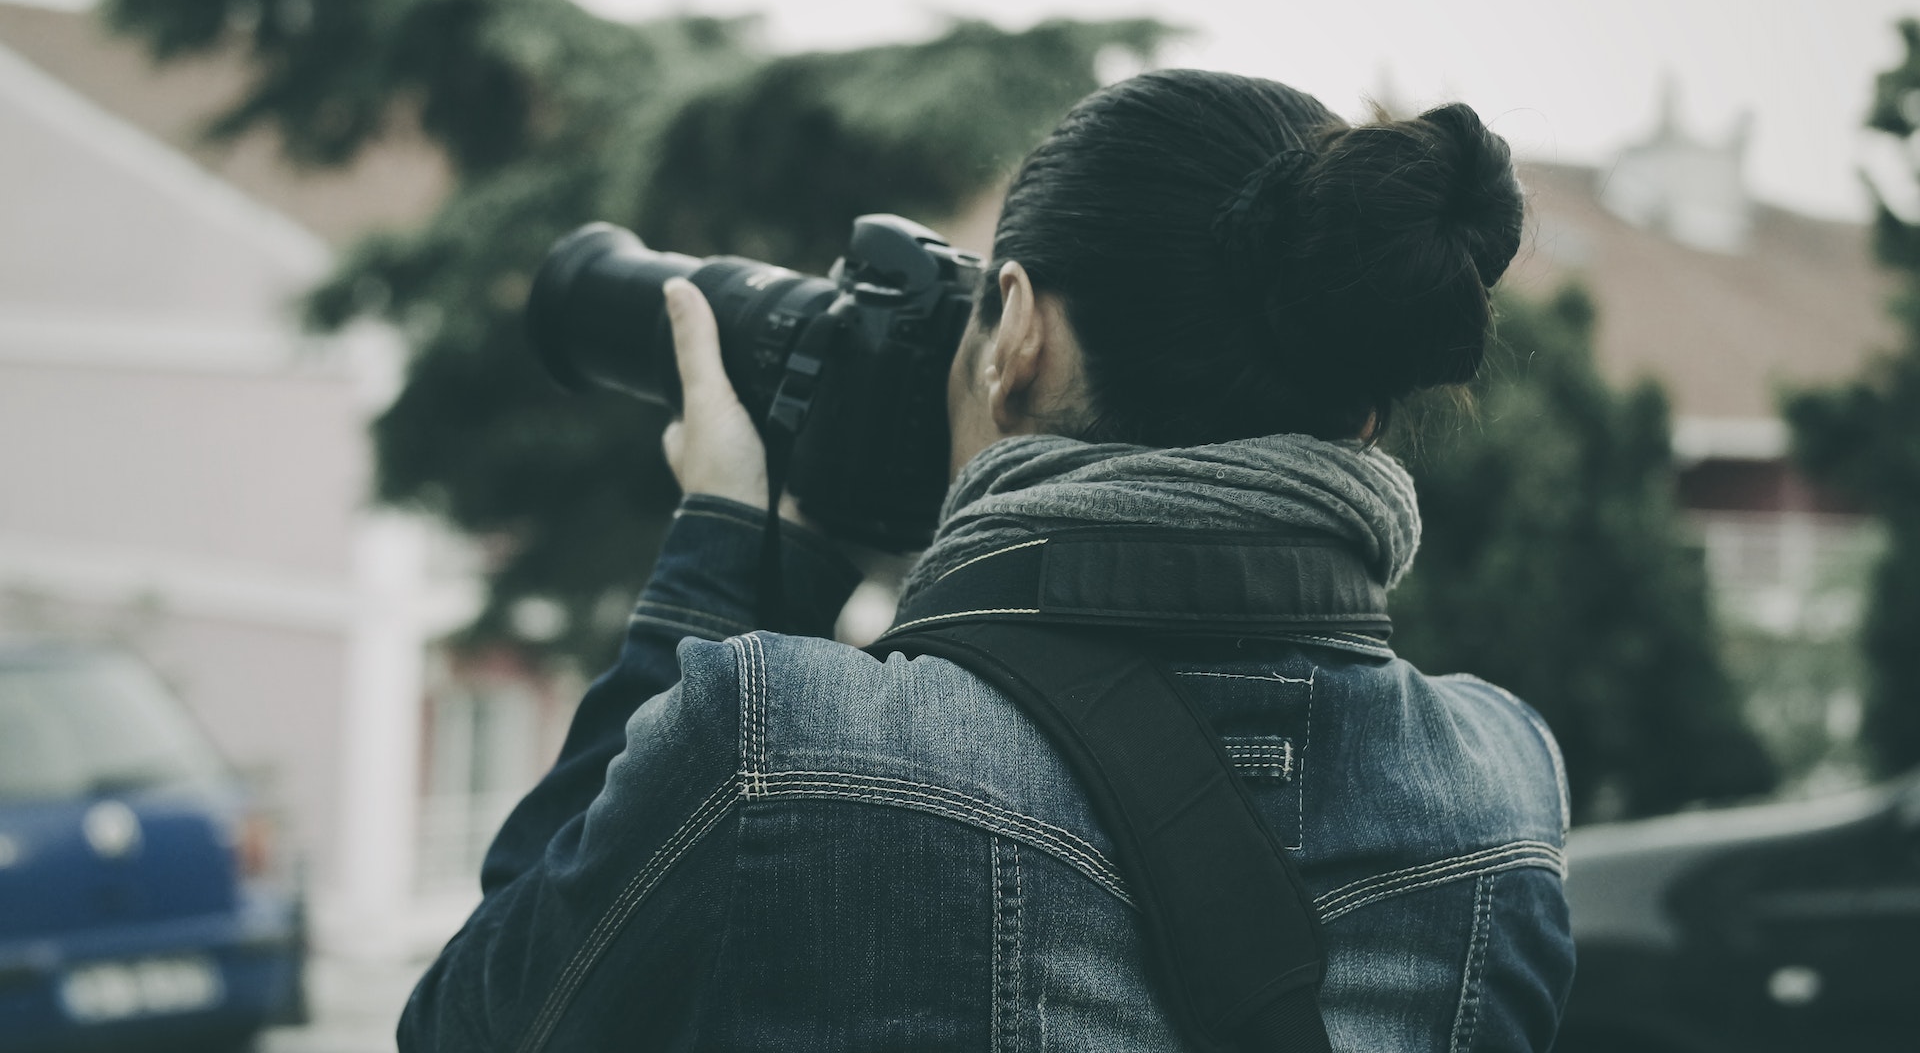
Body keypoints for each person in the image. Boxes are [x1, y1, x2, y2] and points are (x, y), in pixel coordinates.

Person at [399, 70, 1575, 1051]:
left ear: (1018, 331)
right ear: (1364, 412)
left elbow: (470, 1024)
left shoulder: (771, 746)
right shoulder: (1505, 795)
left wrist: (734, 545)